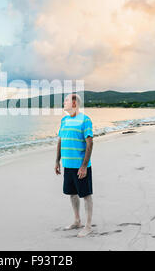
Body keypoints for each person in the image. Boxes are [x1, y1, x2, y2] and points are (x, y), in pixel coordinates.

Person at [55, 93, 94, 237]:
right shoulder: (64, 120)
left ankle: (88, 225)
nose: (63, 102)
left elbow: (90, 143)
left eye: (66, 100)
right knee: (72, 194)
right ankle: (77, 220)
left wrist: (84, 166)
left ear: (74, 104)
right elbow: (61, 141)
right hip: (67, 165)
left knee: (86, 195)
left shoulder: (85, 120)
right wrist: (57, 161)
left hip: (80, 166)